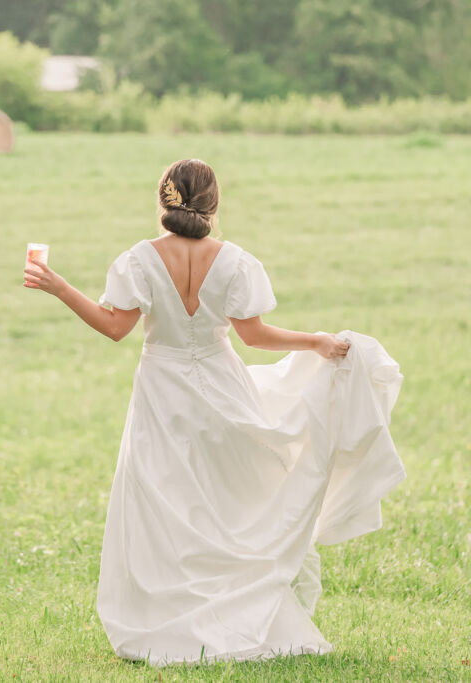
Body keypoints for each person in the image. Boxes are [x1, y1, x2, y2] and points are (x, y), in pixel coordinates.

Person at [22, 158, 406, 666]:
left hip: (163, 391)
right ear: (214, 204)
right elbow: (253, 335)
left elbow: (115, 328)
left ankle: (169, 623)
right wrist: (313, 341)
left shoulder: (139, 260)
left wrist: (60, 287)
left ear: (162, 200)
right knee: (225, 502)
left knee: (165, 501)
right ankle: (233, 612)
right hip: (223, 388)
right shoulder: (235, 261)